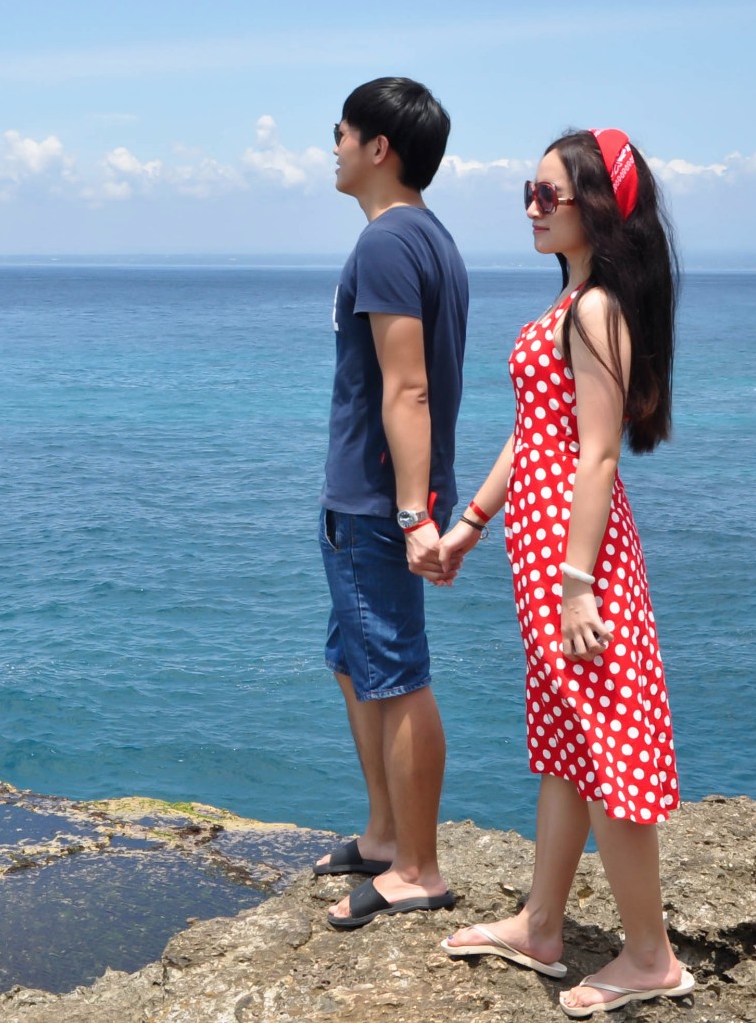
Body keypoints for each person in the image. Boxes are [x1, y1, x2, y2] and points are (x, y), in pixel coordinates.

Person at [437, 129, 693, 1017]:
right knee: (565, 747)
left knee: (612, 751)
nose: (534, 208)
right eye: (529, 192)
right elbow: (533, 435)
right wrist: (471, 524)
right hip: (546, 563)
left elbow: (595, 456)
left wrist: (578, 581)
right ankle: (542, 925)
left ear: (598, 204)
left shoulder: (594, 312)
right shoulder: (574, 304)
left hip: (579, 569)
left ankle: (651, 956)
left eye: (552, 194)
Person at [310, 77, 469, 930]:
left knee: (399, 675)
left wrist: (414, 514)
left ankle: (419, 866)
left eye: (339, 132)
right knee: (356, 661)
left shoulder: (385, 245)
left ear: (379, 148)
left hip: (378, 501)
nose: (330, 146)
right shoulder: (429, 238)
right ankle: (383, 834)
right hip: (371, 496)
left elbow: (407, 388)